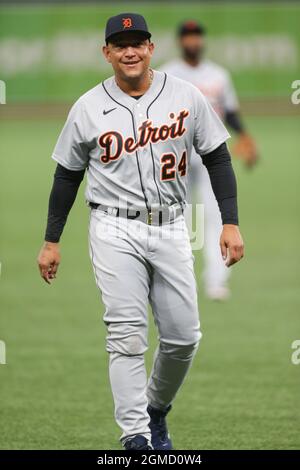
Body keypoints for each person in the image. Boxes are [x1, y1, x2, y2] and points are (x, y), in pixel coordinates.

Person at [37, 13, 244, 450]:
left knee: (183, 337)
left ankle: (156, 410)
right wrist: (51, 240)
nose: (129, 50)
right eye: (120, 43)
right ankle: (135, 435)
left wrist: (229, 222)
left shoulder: (185, 95)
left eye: (138, 42)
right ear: (107, 52)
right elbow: (66, 177)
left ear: (150, 48)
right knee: (127, 334)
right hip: (112, 226)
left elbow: (219, 158)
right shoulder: (88, 107)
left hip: (172, 225)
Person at [160, 20, 257, 300]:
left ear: (202, 40)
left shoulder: (219, 75)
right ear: (180, 41)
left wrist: (245, 137)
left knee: (217, 217)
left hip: (211, 156)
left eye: (197, 36)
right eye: (188, 36)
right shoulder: (167, 74)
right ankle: (180, 277)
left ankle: (217, 279)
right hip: (175, 155)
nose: (193, 41)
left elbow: (230, 112)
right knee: (180, 217)